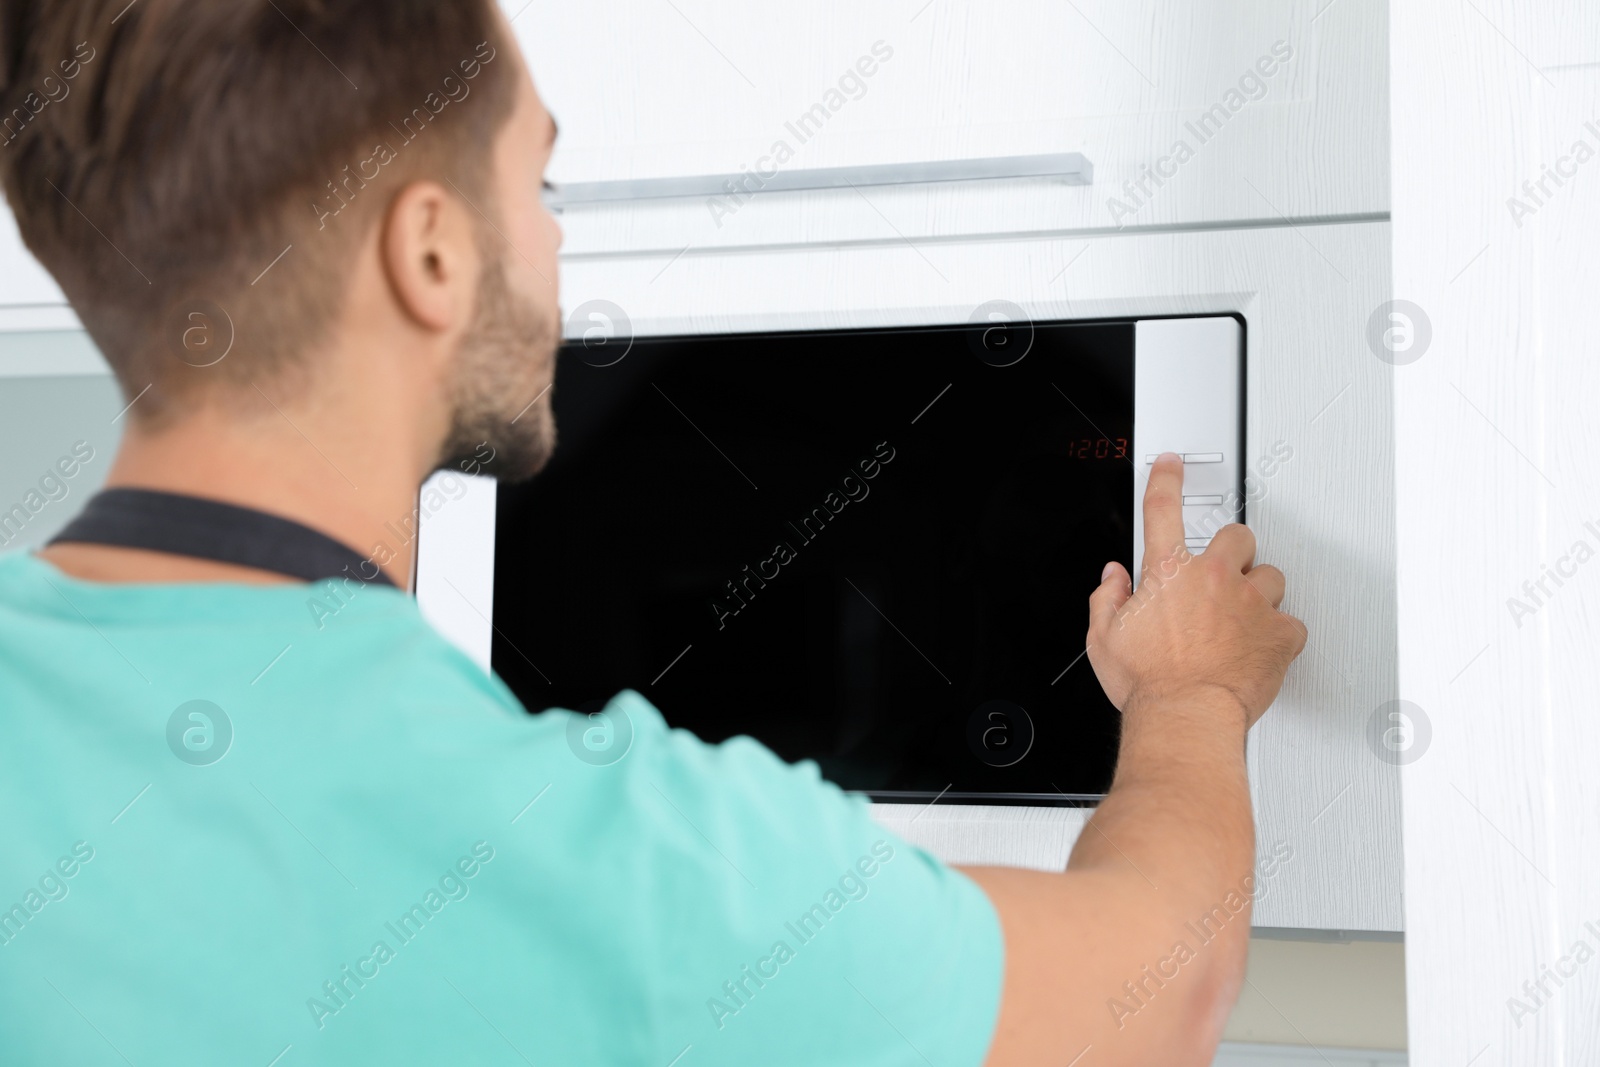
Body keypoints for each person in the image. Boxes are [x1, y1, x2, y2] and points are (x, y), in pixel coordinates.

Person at [0, 2, 1307, 1063]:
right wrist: (1190, 693)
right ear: (433, 254)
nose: (561, 240)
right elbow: (1161, 990)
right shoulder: (613, 865)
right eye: (541, 180)